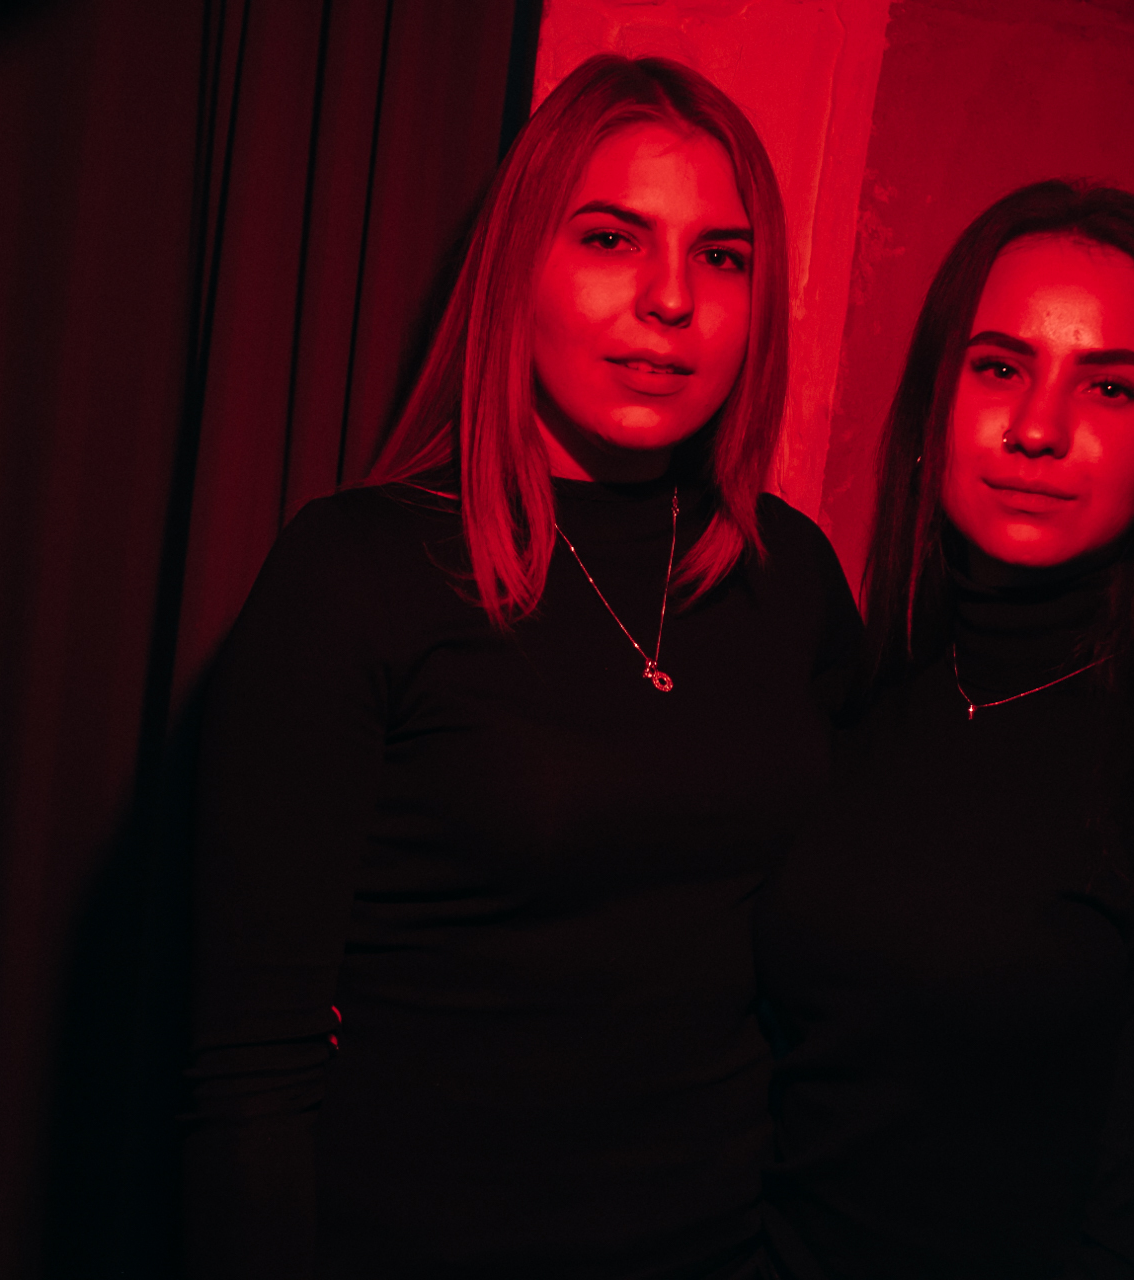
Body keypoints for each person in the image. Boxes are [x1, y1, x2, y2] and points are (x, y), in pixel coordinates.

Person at [184, 55, 859, 1280]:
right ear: (519, 267)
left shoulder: (792, 577)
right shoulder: (357, 570)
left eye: (721, 255)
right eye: (611, 239)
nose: (670, 299)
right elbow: (246, 1061)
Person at [756, 181, 1134, 1280]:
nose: (1037, 428)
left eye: (1109, 387)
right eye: (1000, 367)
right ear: (938, 403)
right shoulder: (850, 699)